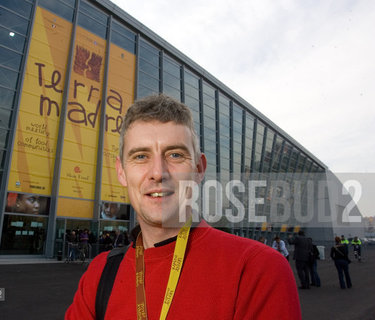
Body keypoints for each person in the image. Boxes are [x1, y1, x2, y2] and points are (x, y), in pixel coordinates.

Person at [65, 94, 301, 319]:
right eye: (140, 157)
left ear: (199, 169)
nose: (158, 172)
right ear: (121, 171)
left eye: (175, 155)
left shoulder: (257, 270)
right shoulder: (99, 274)